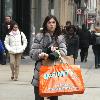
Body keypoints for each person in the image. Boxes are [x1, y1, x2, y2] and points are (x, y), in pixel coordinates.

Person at [30, 15, 67, 100]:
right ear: (45, 24)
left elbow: (63, 52)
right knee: (38, 97)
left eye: (53, 22)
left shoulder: (60, 37)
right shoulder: (39, 36)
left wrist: (50, 55)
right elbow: (32, 53)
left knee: (53, 98)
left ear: (56, 24)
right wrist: (45, 51)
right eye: (49, 22)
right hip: (40, 72)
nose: (51, 24)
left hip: (55, 73)